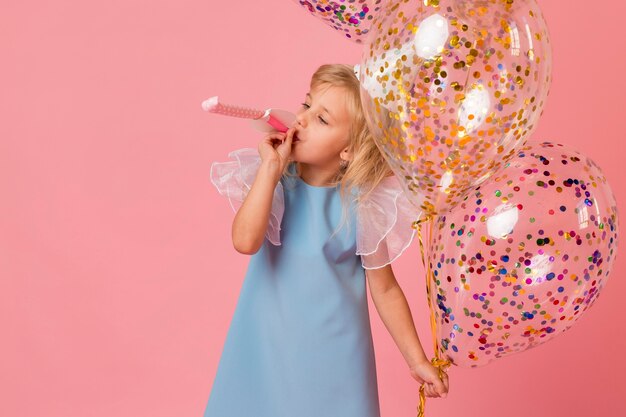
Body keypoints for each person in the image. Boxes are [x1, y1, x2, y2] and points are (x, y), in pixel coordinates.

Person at [204, 64, 449, 417]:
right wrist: (270, 170)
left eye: (322, 119)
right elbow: (245, 241)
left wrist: (417, 359)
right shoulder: (274, 183)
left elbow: (385, 289)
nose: (301, 120)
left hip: (335, 355)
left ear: (348, 150)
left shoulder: (363, 205)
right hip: (265, 346)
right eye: (306, 105)